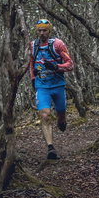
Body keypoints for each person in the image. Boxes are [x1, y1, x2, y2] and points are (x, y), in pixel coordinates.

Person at [29, 19, 74, 160]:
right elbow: (31, 64)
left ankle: (62, 120)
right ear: (36, 31)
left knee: (61, 115)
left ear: (49, 31)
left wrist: (56, 67)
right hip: (42, 87)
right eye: (39, 30)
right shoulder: (32, 46)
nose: (42, 33)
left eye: (45, 30)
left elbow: (70, 64)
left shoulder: (57, 44)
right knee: (45, 115)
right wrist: (33, 79)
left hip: (58, 85)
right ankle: (50, 148)